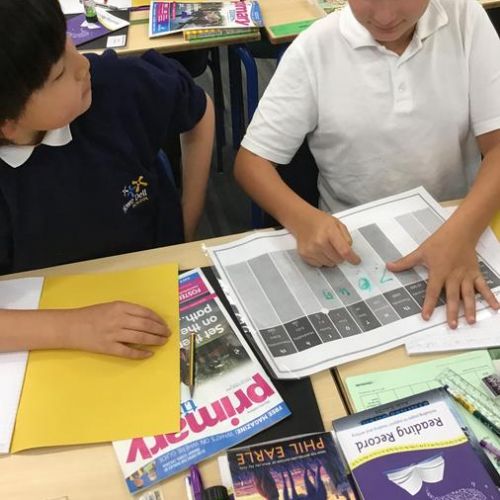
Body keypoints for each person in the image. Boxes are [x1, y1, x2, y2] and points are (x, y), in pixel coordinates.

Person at [234, 0, 500, 329]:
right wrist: (302, 219)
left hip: (462, 220)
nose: (385, 17)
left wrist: (461, 235)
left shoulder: (464, 18)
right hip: (354, 243)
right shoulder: (316, 48)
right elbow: (252, 162)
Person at [0, 0, 214, 357]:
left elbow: (199, 109)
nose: (83, 64)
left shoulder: (115, 85)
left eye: (68, 42)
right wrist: (72, 327)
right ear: (7, 123)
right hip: (46, 326)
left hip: (155, 283)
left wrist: (187, 223)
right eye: (59, 74)